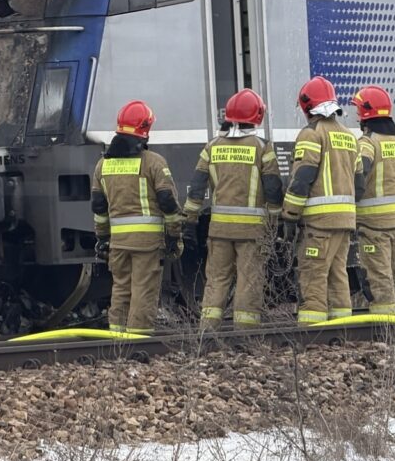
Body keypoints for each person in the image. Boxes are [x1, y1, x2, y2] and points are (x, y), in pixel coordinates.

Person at [183, 89, 283, 329]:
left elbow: (196, 187)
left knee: (216, 279)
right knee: (249, 281)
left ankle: (207, 331)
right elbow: (273, 189)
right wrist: (276, 219)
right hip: (252, 232)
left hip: (219, 230)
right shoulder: (263, 148)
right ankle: (246, 335)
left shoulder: (211, 147)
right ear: (257, 116)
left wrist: (190, 219)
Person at [91, 100, 183, 334]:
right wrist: (174, 237)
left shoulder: (102, 165)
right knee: (144, 289)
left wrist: (102, 238)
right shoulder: (154, 163)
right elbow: (168, 204)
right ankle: (138, 339)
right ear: (145, 129)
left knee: (121, 288)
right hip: (147, 243)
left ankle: (117, 338)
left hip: (118, 244)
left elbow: (99, 208)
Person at [281, 76, 365, 325]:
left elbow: (302, 177)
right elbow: (359, 184)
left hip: (319, 222)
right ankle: (341, 328)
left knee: (313, 273)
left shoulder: (311, 135)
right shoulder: (350, 136)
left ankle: (312, 329)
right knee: (338, 274)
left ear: (308, 107)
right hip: (345, 220)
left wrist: (289, 215)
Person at [351, 85, 395, 318]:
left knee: (379, 273)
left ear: (364, 115)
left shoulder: (367, 143)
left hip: (373, 224)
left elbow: (360, 176)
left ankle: (386, 326)